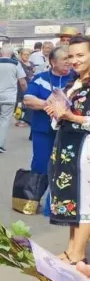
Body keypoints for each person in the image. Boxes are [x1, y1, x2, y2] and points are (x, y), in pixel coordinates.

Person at [46, 36, 90, 265]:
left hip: (86, 149)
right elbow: (63, 118)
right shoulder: (74, 84)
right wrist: (55, 112)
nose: (75, 60)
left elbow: (78, 118)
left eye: (80, 55)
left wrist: (71, 116)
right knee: (72, 197)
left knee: (85, 200)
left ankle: (79, 252)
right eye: (71, 56)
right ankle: (72, 248)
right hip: (67, 147)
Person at [23, 46, 75, 175]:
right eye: (65, 58)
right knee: (40, 165)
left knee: (68, 166)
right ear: (53, 62)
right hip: (43, 130)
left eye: (70, 58)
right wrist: (49, 105)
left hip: (71, 131)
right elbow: (28, 100)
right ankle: (37, 192)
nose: (69, 61)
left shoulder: (77, 78)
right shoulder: (41, 78)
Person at [0, 44, 26, 153]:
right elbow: (22, 82)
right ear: (11, 54)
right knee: (5, 120)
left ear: (0, 54)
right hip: (10, 97)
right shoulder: (16, 64)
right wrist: (26, 92)